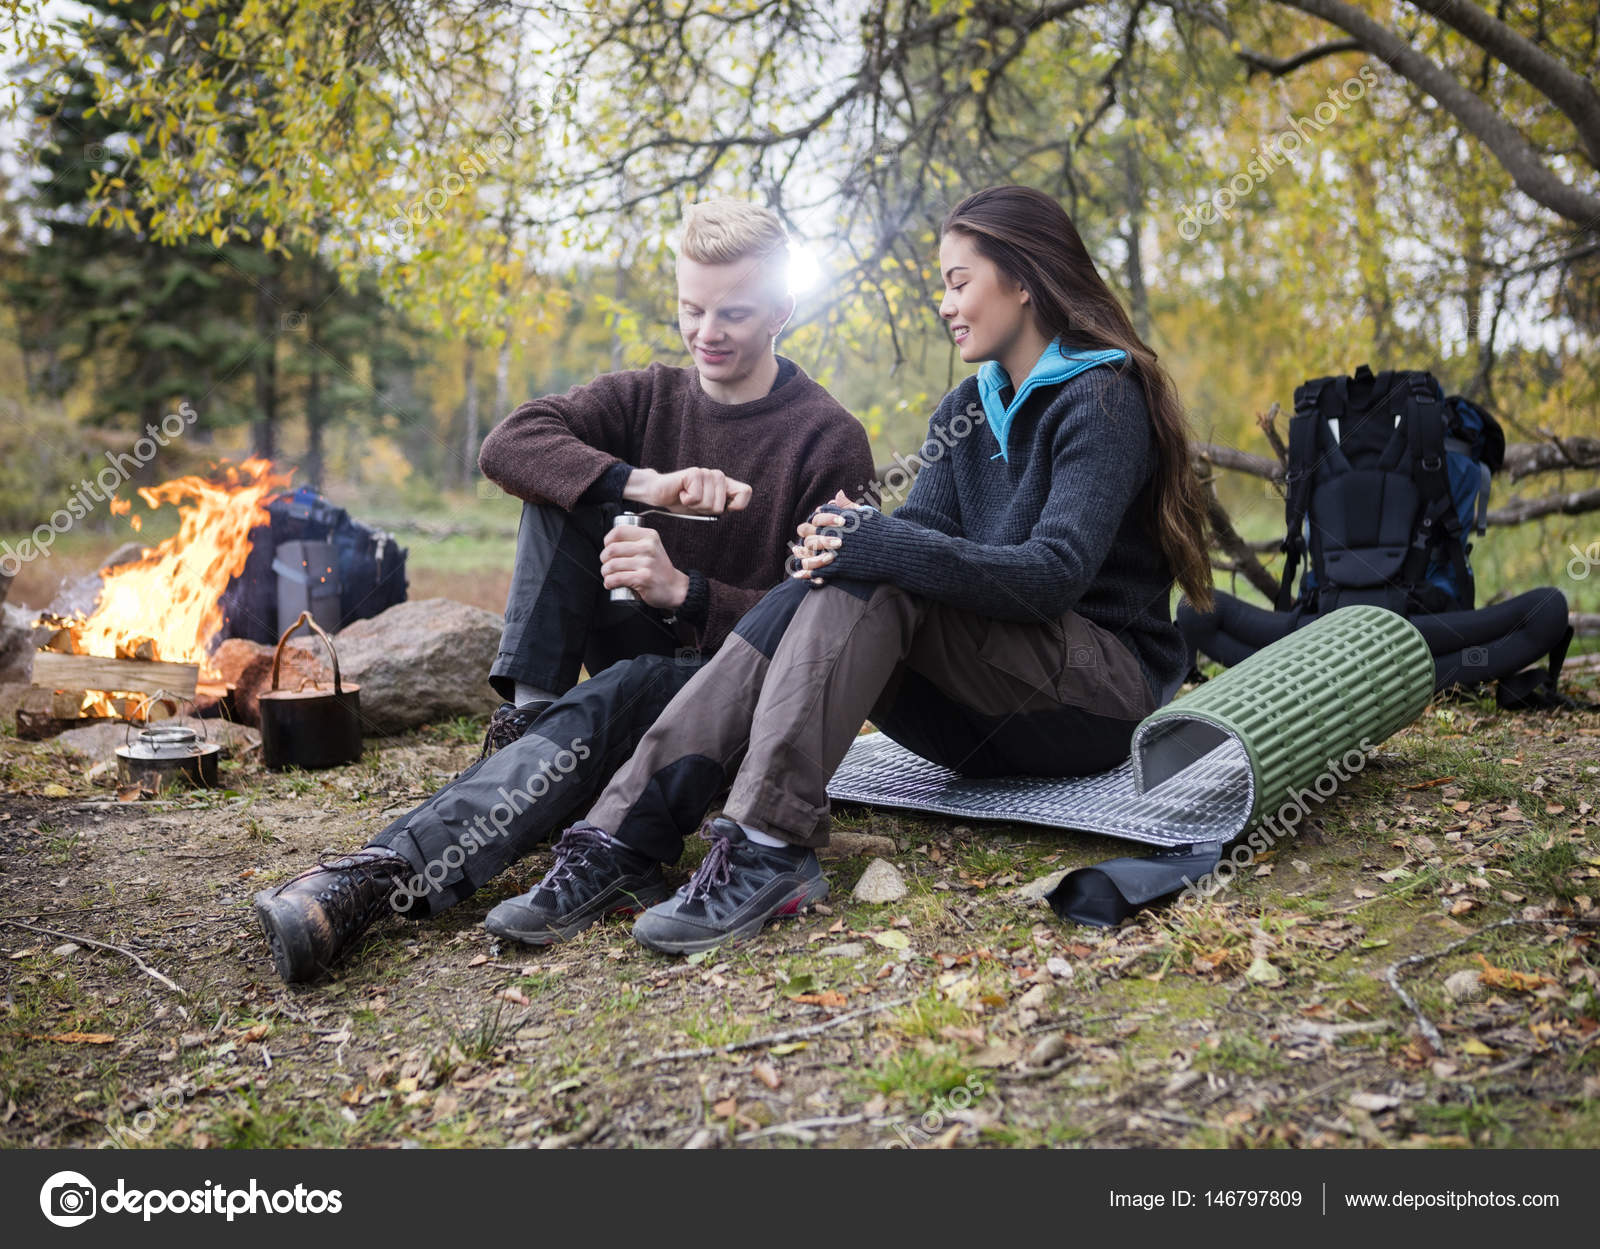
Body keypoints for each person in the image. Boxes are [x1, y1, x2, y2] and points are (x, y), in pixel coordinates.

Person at [489, 184, 1216, 955]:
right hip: (980, 720)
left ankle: (767, 843)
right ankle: (620, 839)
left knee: (868, 558)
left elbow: (1050, 575)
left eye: (957, 281)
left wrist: (872, 543)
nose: (944, 302)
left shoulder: (1102, 398)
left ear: (1025, 279)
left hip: (1097, 700)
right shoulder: (967, 409)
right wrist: (845, 544)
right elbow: (917, 549)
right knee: (834, 569)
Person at [254, 199, 875, 983]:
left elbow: (823, 634)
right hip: (630, 665)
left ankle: (379, 875)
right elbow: (507, 443)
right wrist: (645, 483)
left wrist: (686, 592)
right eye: (691, 307)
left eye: (734, 312)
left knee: (633, 683)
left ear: (783, 309)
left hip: (738, 715)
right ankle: (531, 731)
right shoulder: (649, 396)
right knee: (560, 488)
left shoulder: (829, 439)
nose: (706, 332)